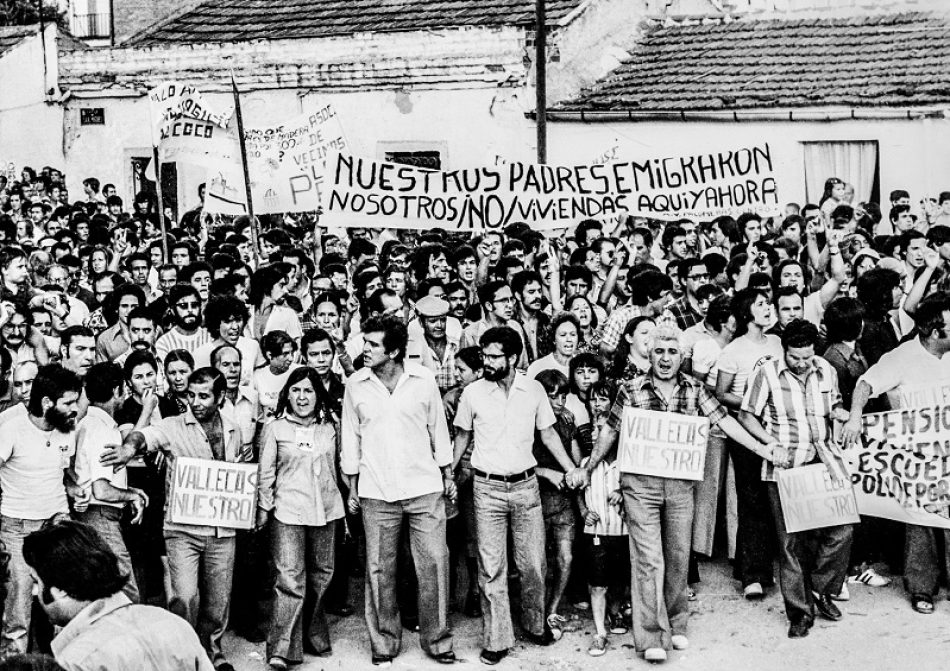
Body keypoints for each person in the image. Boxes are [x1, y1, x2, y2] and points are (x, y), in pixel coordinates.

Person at [582, 324, 774, 661]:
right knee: (648, 560)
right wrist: (588, 467)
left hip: (681, 486)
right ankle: (652, 636)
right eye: (659, 351)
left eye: (672, 352)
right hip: (640, 487)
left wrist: (763, 449)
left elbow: (726, 422)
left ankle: (676, 622)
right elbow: (610, 431)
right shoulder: (630, 389)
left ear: (681, 356)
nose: (666, 358)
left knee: (677, 556)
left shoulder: (696, 389)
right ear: (650, 355)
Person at [452, 326, 587, 666]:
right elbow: (463, 437)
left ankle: (534, 624)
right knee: (492, 567)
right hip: (487, 489)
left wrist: (572, 469)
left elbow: (548, 433)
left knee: (533, 564)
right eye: (485, 355)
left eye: (495, 356)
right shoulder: (473, 393)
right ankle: (497, 639)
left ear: (512, 357)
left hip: (527, 486)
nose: (487, 361)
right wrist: (447, 472)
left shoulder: (534, 390)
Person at [102, 367, 250, 671]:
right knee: (184, 596)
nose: (195, 402)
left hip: (223, 530)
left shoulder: (234, 428)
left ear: (220, 396)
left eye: (204, 396)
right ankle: (182, 657)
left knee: (217, 602)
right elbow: (147, 436)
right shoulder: (172, 425)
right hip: (182, 530)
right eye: (191, 395)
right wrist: (128, 448)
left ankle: (212, 655)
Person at [340, 316, 456, 667]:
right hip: (376, 489)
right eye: (365, 342)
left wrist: (447, 474)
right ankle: (384, 643)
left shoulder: (423, 381)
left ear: (393, 350)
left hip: (424, 487)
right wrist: (353, 488)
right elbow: (350, 440)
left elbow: (439, 430)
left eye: (373, 345)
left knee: (434, 564)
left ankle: (437, 641)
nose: (365, 350)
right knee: (379, 568)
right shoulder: (355, 385)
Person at [739, 319, 853, 638]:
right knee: (790, 542)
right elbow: (747, 414)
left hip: (825, 459)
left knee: (842, 529)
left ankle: (819, 589)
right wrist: (769, 445)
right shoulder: (767, 373)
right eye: (794, 357)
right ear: (784, 350)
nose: (801, 364)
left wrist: (841, 415)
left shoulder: (826, 370)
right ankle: (800, 612)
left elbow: (835, 406)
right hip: (785, 466)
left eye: (806, 357)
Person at [842, 292, 950, 615]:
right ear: (935, 332)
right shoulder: (902, 358)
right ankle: (922, 589)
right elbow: (865, 385)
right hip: (917, 457)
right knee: (920, 522)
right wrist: (854, 416)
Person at [22, 519, 214, 671]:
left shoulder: (76, 660)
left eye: (37, 582)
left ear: (61, 590)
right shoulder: (174, 624)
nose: (34, 592)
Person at [257, 368, 344, 669]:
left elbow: (343, 465)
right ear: (287, 395)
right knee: (290, 578)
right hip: (288, 510)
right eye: (296, 391)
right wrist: (263, 508)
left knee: (322, 575)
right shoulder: (275, 428)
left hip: (327, 508)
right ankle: (282, 649)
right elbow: (265, 473)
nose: (302, 397)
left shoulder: (331, 426)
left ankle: (313, 634)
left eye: (308, 390)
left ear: (318, 394)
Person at [0, 365, 88, 656]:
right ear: (47, 403)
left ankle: (64, 662)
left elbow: (62, 473)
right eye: (69, 403)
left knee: (65, 604)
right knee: (19, 609)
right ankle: (15, 663)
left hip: (57, 522)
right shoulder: (11, 430)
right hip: (18, 527)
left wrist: (75, 489)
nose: (75, 409)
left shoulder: (66, 430)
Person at [715, 289, 783, 599]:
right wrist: (753, 402)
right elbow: (721, 393)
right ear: (746, 312)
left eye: (769, 304)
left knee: (774, 501)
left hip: (778, 430)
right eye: (760, 304)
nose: (768, 309)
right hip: (746, 432)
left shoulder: (778, 343)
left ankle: (763, 566)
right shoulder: (734, 350)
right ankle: (752, 575)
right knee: (751, 501)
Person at [73, 362, 148, 603]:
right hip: (101, 516)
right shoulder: (102, 429)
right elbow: (101, 489)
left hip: (91, 515)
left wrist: (130, 490)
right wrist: (132, 496)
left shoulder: (86, 423)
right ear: (117, 390)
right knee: (127, 592)